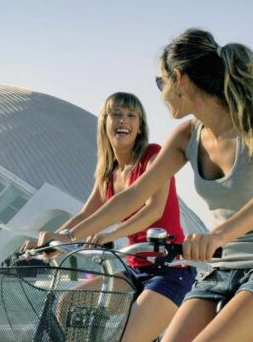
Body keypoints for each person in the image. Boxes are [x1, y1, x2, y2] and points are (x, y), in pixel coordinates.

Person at [45, 29, 253, 342]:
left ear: (179, 79)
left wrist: (218, 236)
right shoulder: (187, 136)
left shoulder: (247, 125)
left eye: (161, 83)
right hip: (220, 269)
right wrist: (70, 235)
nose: (161, 95)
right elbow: (135, 194)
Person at [23, 92, 192, 342]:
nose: (123, 121)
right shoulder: (109, 172)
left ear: (139, 126)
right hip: (134, 270)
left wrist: (112, 234)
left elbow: (154, 209)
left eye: (131, 116)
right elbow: (86, 213)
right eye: (116, 114)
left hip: (169, 270)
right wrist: (51, 242)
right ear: (104, 122)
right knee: (69, 303)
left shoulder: (153, 157)